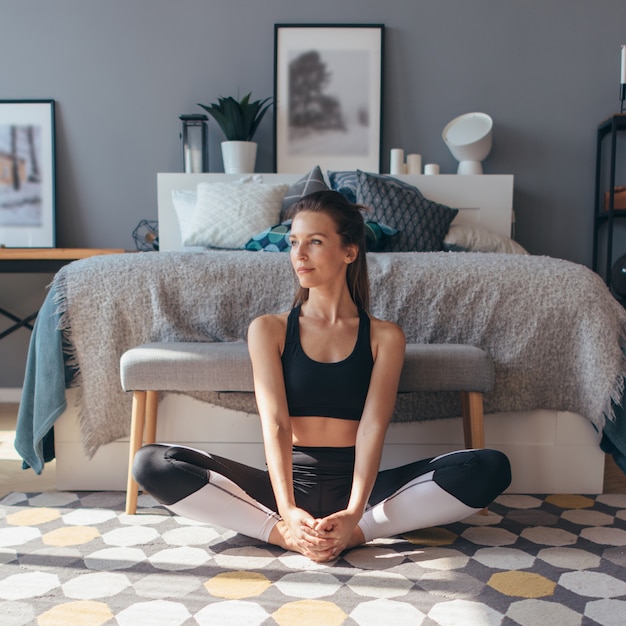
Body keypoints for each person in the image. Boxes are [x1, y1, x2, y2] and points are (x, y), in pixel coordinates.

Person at [132, 190, 511, 562]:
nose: (299, 253)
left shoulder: (384, 336)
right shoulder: (269, 330)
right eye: (294, 241)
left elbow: (371, 429)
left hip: (361, 488)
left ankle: (356, 534)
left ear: (349, 251)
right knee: (152, 463)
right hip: (285, 483)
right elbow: (277, 424)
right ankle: (283, 535)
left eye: (314, 241)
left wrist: (352, 514)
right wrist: (286, 513)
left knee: (490, 467)